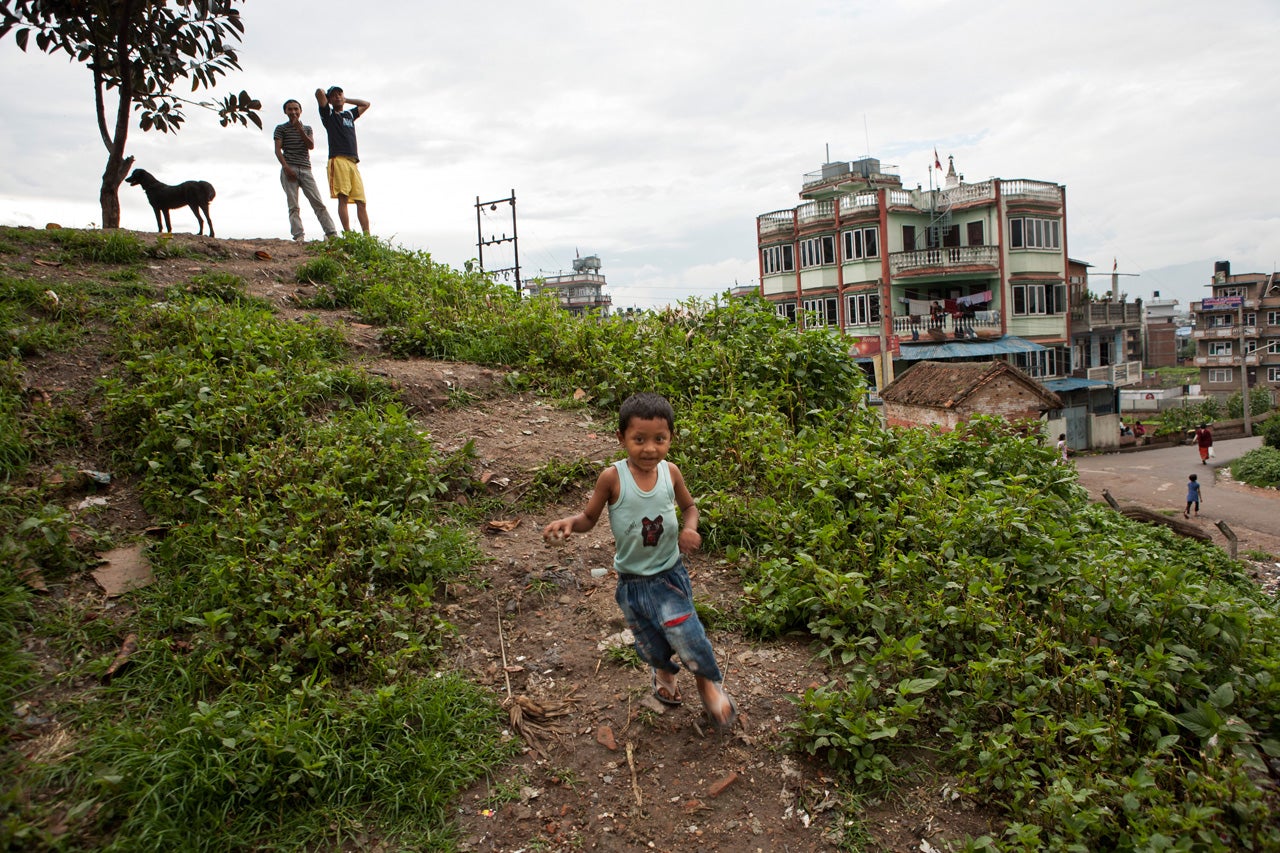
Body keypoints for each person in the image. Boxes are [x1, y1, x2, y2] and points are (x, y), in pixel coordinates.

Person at [542, 392, 737, 732]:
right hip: (631, 583)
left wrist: (690, 529)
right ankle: (663, 670)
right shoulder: (612, 478)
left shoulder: (670, 473)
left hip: (669, 576)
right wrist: (571, 523)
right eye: (639, 440)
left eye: (659, 439)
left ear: (671, 439)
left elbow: (690, 508)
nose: (650, 449)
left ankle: (707, 682)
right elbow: (590, 518)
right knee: (649, 643)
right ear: (621, 438)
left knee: (688, 635)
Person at [273, 99, 338, 244]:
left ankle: (331, 233)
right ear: (285, 111)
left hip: (306, 169)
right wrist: (286, 167)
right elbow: (278, 150)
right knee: (293, 205)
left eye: (296, 109)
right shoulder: (280, 128)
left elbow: (310, 145)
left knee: (318, 202)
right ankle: (298, 235)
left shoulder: (307, 128)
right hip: (289, 167)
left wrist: (299, 129)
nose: (293, 112)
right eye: (290, 109)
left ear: (300, 111)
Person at [314, 85, 371, 234]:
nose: (338, 96)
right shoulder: (329, 114)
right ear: (330, 99)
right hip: (338, 159)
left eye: (340, 94)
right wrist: (327, 98)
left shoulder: (349, 115)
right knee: (343, 198)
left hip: (353, 162)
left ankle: (367, 236)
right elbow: (319, 92)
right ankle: (347, 232)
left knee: (361, 201)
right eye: (334, 95)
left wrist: (347, 100)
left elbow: (366, 104)